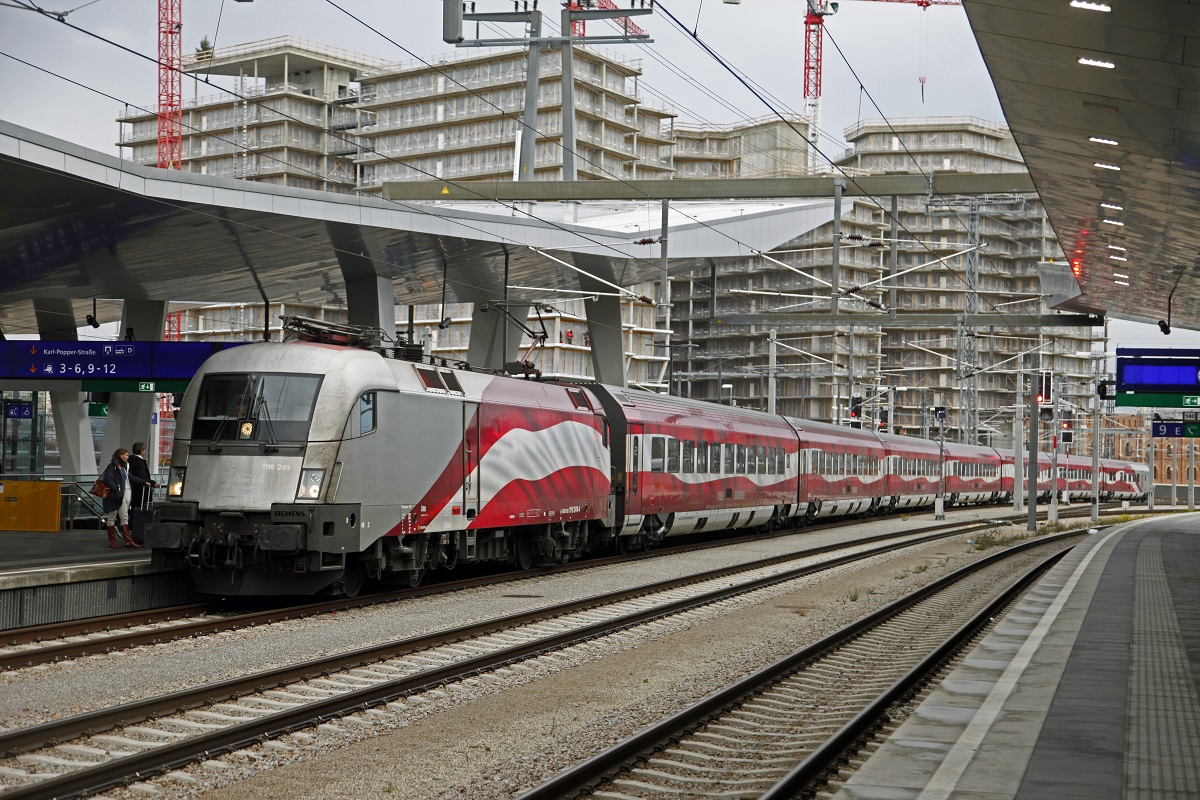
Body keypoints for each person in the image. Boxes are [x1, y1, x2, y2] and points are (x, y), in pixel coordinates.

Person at [101, 448, 141, 548]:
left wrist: (145, 482)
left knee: (124, 517)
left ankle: (128, 540)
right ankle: (112, 541)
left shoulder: (124, 467)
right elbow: (107, 479)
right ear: (120, 456)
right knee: (112, 517)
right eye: (126, 455)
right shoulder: (112, 466)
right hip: (113, 496)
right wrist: (116, 489)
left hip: (120, 496)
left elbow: (130, 477)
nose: (127, 457)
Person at [128, 441, 158, 509]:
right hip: (141, 492)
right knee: (140, 511)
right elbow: (142, 476)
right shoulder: (139, 462)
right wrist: (153, 483)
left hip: (133, 491)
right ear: (142, 451)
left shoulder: (130, 460)